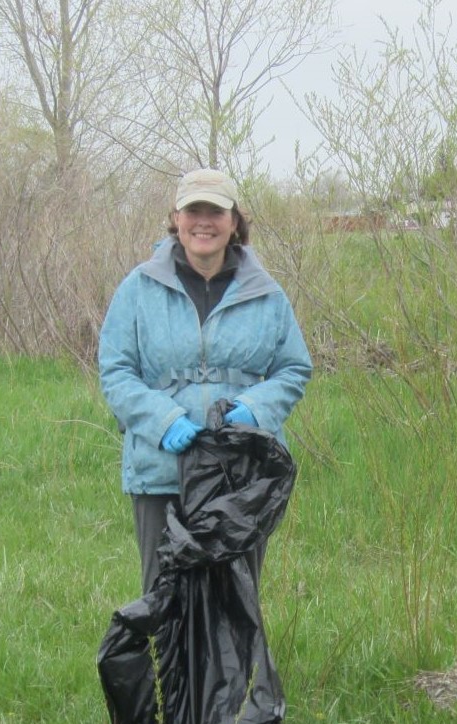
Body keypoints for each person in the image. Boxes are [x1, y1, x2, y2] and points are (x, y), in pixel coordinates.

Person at [99, 168, 312, 594]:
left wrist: (256, 411)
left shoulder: (266, 293)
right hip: (161, 473)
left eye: (215, 211)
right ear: (176, 218)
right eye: (193, 209)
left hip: (243, 474)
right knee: (165, 598)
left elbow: (294, 367)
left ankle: (232, 667)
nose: (203, 221)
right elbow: (116, 371)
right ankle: (174, 666)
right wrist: (163, 422)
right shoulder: (139, 289)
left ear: (234, 222)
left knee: (237, 599)